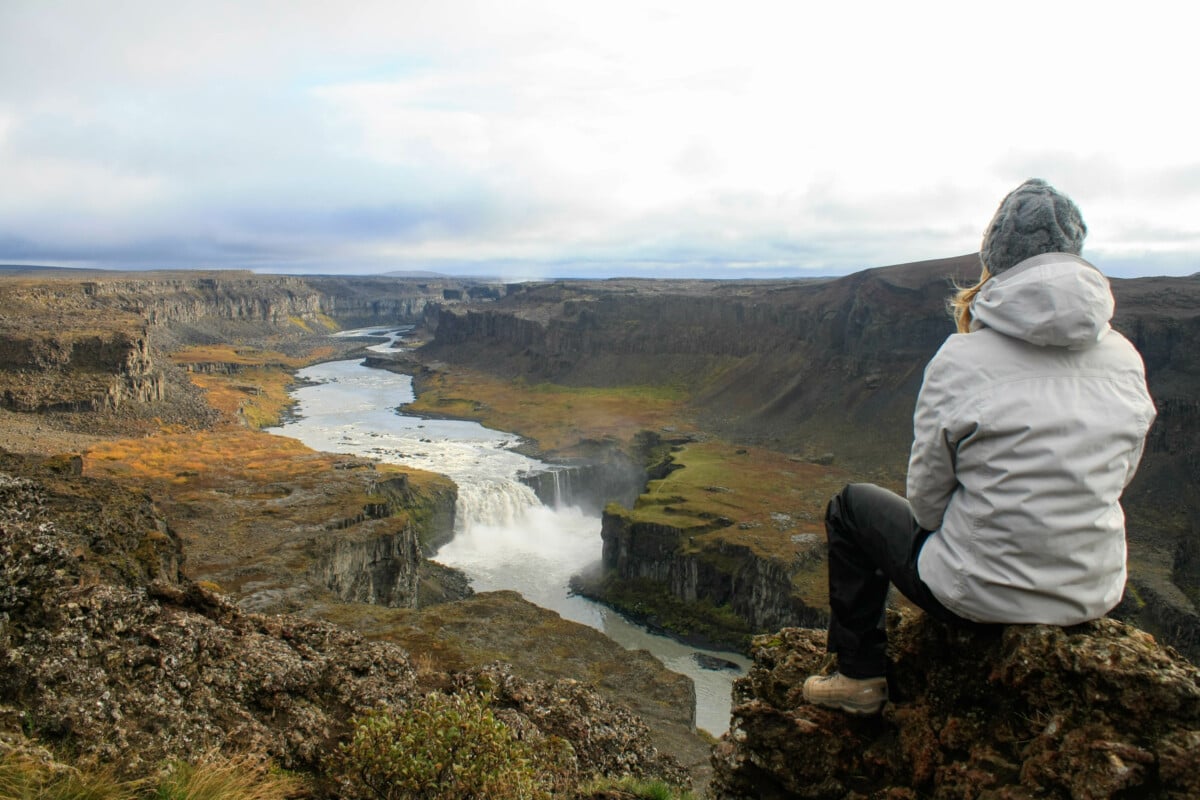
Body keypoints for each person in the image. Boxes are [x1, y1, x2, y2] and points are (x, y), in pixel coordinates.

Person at [802, 178, 1157, 715]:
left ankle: (859, 676)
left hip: (977, 595)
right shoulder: (1125, 358)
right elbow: (1117, 474)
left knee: (851, 507)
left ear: (995, 260)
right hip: (1091, 592)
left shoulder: (961, 360)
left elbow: (924, 505)